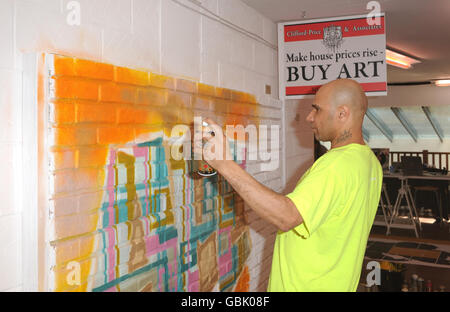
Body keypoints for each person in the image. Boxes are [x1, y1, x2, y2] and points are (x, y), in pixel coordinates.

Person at [200, 78, 383, 292]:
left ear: (342, 114)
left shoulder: (335, 165)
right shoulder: (369, 161)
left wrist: (225, 164)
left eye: (317, 109)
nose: (309, 117)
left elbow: (287, 217)